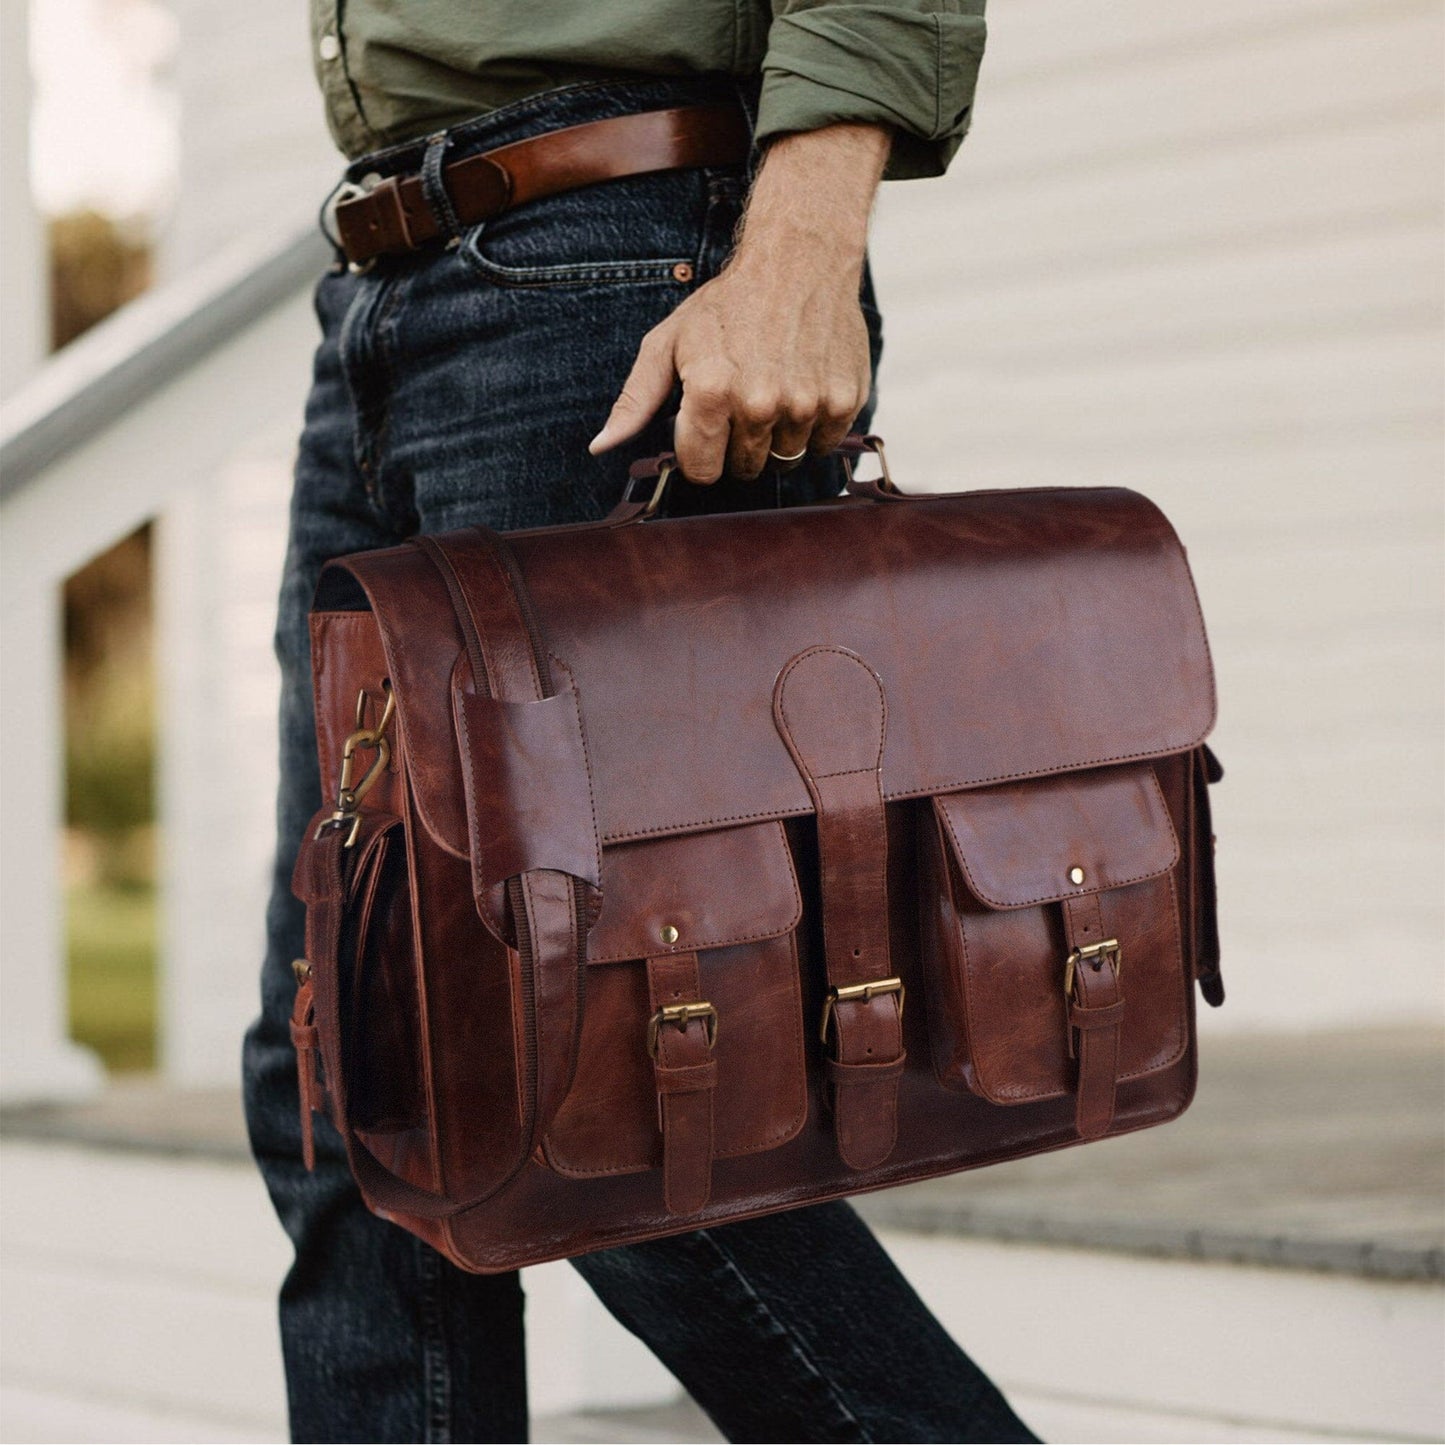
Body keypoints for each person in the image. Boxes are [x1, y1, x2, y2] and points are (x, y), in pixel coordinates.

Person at [243, 4, 1038, 1441]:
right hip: (380, 290)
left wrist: (805, 243)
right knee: (345, 1062)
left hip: (605, 269)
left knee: (611, 1083)